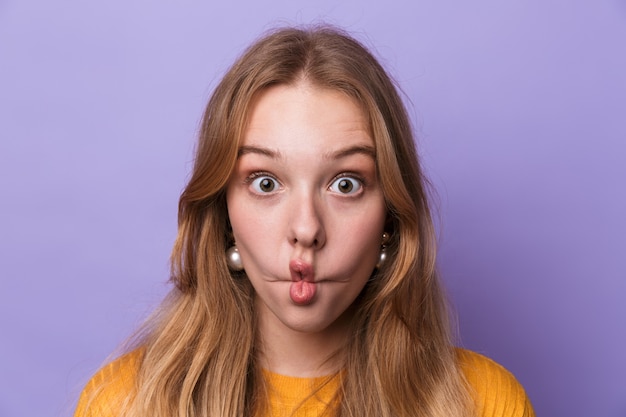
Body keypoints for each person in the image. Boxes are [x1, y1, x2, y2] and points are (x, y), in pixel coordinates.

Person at [74, 26, 535, 417]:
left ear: (391, 218)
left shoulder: (481, 402)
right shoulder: (127, 403)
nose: (306, 229)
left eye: (346, 184)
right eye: (266, 183)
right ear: (223, 213)